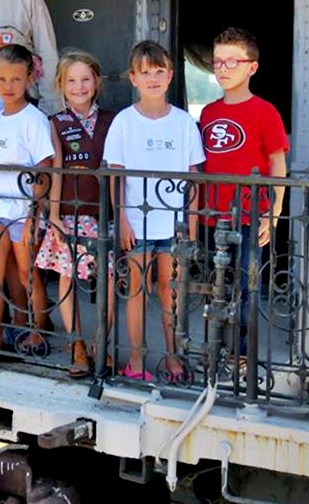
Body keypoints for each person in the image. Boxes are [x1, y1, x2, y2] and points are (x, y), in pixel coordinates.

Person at [103, 40, 205, 382]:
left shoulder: (183, 123)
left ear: (171, 75)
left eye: (159, 71)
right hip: (137, 223)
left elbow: (193, 177)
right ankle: (136, 358)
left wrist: (191, 224)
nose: (152, 79)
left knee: (170, 291)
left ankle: (174, 357)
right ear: (133, 78)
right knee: (135, 290)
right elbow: (116, 176)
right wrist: (122, 220)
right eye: (145, 72)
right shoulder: (123, 122)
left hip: (172, 226)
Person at [199, 27, 289, 360]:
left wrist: (274, 211)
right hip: (212, 215)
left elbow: (278, 164)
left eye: (232, 62)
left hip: (251, 214)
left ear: (251, 67)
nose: (222, 68)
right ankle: (214, 347)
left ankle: (242, 355)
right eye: (218, 61)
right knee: (215, 284)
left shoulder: (265, 112)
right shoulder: (208, 112)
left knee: (248, 286)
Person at [34, 51, 116, 377]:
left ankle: (101, 343)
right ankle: (77, 344)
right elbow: (56, 171)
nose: (79, 86)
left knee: (107, 279)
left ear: (96, 82)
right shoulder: (55, 123)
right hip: (69, 212)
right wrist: (53, 215)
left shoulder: (114, 120)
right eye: (71, 81)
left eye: (85, 79)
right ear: (61, 86)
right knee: (67, 278)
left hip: (103, 214)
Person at [0, 44, 55, 354]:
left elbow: (44, 168)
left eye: (15, 79)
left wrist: (33, 216)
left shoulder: (33, 119)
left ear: (28, 78)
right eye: (1, 79)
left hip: (21, 211)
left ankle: (38, 331)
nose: (8, 86)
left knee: (28, 273)